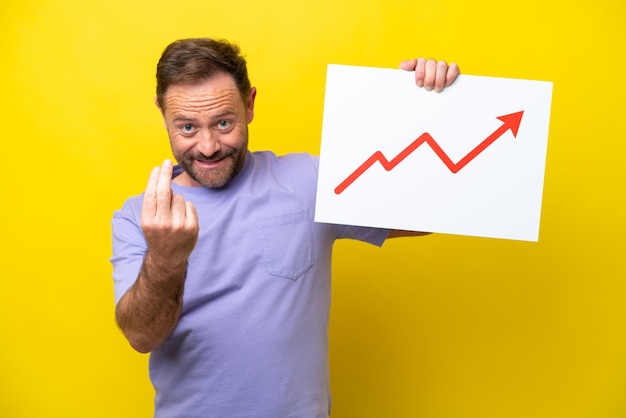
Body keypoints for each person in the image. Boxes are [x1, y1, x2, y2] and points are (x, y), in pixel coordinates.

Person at [110, 38, 460, 417]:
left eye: (224, 122)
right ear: (163, 114)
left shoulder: (308, 181)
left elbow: (430, 214)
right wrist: (166, 255)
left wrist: (426, 107)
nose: (208, 146)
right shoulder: (139, 217)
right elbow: (142, 337)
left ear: (249, 104)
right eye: (188, 128)